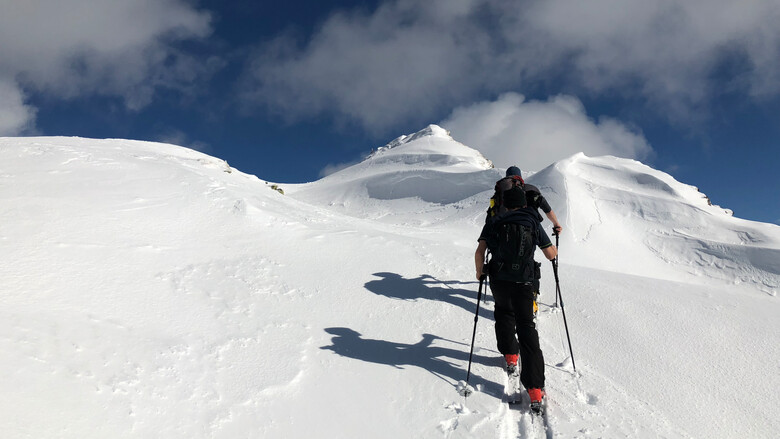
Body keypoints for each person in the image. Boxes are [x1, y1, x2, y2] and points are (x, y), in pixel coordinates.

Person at [474, 186, 557, 405]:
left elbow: (479, 252)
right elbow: (550, 253)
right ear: (523, 203)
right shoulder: (532, 221)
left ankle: (510, 355)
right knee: (526, 326)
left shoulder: (493, 221)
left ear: (505, 204)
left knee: (503, 313)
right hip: (524, 281)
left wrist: (479, 272)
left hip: (499, 280)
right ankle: (535, 388)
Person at [498, 166, 563, 235]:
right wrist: (556, 224)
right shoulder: (531, 189)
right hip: (530, 228)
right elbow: (547, 209)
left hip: (504, 229)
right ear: (520, 177)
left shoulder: (500, 193)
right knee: (548, 245)